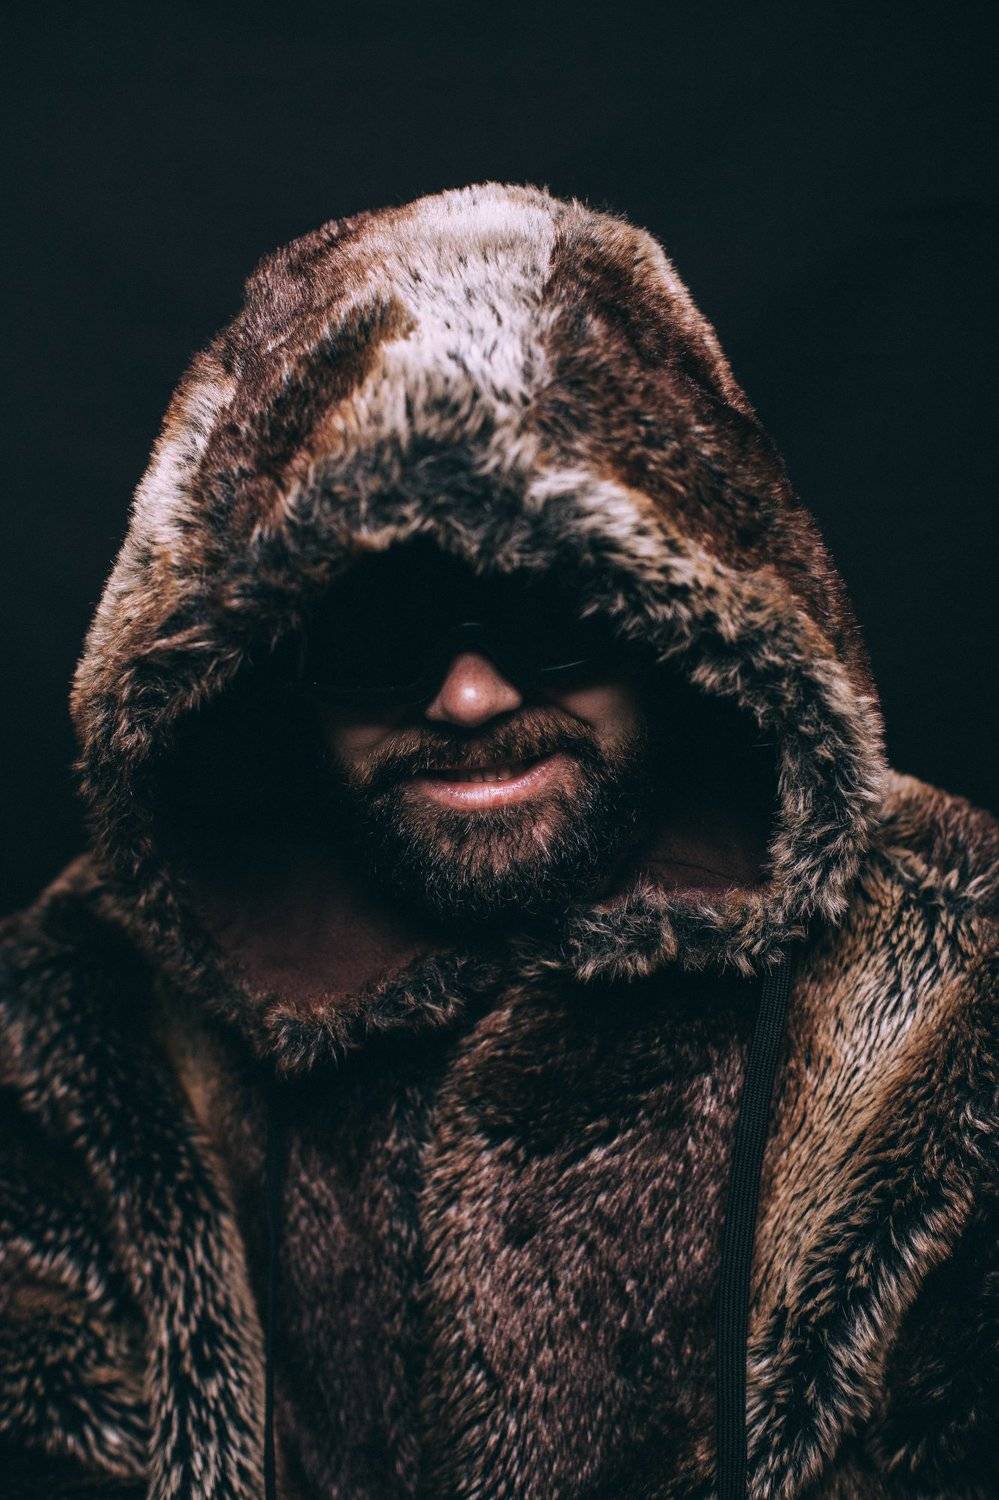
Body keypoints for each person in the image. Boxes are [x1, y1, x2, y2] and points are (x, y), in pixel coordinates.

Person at [0, 183, 994, 1500]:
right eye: (377, 636)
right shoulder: (72, 1031)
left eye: (543, 613)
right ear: (261, 670)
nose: (469, 698)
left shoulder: (959, 992)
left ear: (678, 616)